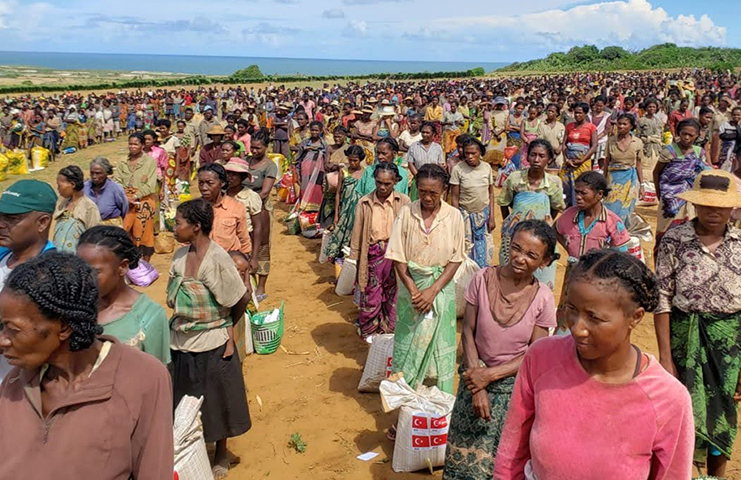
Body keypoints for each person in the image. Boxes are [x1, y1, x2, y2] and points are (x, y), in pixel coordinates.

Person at [493, 250, 694, 479]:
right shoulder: (542, 358)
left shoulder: (668, 399)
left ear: (635, 317)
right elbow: (511, 455)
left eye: (594, 317)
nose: (577, 328)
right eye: (572, 309)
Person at [0, 252, 174, 479]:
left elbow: (154, 470)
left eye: (12, 329)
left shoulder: (143, 378)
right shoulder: (14, 383)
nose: (2, 339)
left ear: (62, 327)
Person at [443, 220, 558, 480]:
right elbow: (469, 333)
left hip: (512, 390)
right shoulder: (482, 279)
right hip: (473, 379)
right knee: (461, 456)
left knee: (501, 463)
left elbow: (534, 353)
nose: (519, 258)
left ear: (545, 262)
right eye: (516, 249)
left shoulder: (543, 298)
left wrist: (491, 376)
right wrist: (478, 382)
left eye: (531, 255)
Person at [654, 169, 741, 478]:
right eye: (705, 204)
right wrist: (665, 357)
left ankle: (716, 475)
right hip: (683, 339)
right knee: (682, 410)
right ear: (694, 205)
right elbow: (661, 298)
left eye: (720, 206)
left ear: (733, 207)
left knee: (722, 410)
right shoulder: (675, 240)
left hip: (729, 345)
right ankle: (685, 472)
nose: (712, 212)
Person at [169, 199, 251, 479]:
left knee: (217, 401)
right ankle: (191, 449)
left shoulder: (217, 259)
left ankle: (221, 453)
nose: (174, 227)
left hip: (211, 342)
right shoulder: (179, 256)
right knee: (183, 400)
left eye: (178, 223)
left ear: (195, 227)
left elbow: (240, 298)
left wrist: (225, 328)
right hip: (181, 340)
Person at [386, 163, 466, 398]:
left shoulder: (453, 216)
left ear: (443, 190)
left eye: (433, 192)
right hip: (411, 288)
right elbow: (398, 257)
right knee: (409, 345)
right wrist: (413, 290)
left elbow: (456, 258)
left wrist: (432, 290)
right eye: (422, 191)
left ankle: (437, 406)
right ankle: (405, 404)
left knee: (438, 350)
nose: (427, 197)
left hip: (440, 289)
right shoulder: (406, 214)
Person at [77, 226, 170, 365]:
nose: (84, 278)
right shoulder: (74, 308)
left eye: (94, 272)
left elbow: (158, 377)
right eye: (79, 270)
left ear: (123, 267)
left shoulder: (149, 317)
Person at [0, 179, 58, 381]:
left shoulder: (52, 275)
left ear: (42, 222)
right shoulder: (2, 256)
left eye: (12, 218)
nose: (1, 224)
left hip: (21, 386)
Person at [349, 162, 410, 340]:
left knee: (394, 293)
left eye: (387, 184)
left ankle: (388, 329)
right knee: (372, 294)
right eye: (379, 183)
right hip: (372, 255)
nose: (382, 187)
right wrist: (355, 255)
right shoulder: (365, 202)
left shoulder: (404, 202)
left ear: (396, 182)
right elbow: (358, 230)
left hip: (396, 255)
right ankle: (369, 330)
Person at [499, 139, 565, 290]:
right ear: (527, 157)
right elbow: (504, 203)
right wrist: (511, 224)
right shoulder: (515, 179)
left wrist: (544, 225)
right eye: (533, 155)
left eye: (541, 156)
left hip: (541, 236)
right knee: (512, 271)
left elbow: (556, 207)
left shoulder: (554, 183)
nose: (536, 159)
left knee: (539, 275)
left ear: (549, 159)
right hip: (516, 234)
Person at [653, 118, 710, 252]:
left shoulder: (698, 152)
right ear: (679, 133)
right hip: (669, 198)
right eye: (684, 133)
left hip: (690, 198)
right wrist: (659, 194)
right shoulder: (669, 151)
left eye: (691, 135)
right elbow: (657, 173)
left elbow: (702, 174)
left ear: (697, 135)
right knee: (665, 231)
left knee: (689, 229)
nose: (686, 137)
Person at [450, 137, 496, 268]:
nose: (470, 157)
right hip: (465, 215)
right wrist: (457, 217)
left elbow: (491, 192)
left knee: (484, 246)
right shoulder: (458, 169)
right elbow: (454, 196)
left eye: (473, 153)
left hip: (483, 214)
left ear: (480, 153)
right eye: (467, 153)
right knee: (466, 248)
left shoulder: (486, 168)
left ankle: (482, 273)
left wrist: (492, 216)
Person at [245, 128, 278, 300]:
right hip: (241, 210)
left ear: (266, 147)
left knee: (262, 247)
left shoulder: (270, 166)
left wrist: (245, 200)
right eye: (253, 147)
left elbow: (264, 192)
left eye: (258, 148)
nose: (254, 151)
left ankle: (261, 288)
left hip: (260, 209)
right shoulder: (245, 162)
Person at [115, 133, 158, 262]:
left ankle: (144, 265)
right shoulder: (122, 162)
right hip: (125, 201)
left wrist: (135, 196)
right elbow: (117, 181)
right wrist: (125, 196)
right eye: (130, 144)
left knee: (144, 234)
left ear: (142, 145)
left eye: (136, 144)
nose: (132, 147)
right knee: (125, 232)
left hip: (144, 200)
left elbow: (150, 185)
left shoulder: (150, 162)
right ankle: (130, 264)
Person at [197, 163, 251, 257]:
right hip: (203, 261)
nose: (204, 188)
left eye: (210, 183)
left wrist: (245, 258)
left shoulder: (236, 206)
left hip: (229, 261)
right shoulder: (194, 208)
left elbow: (243, 238)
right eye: (200, 183)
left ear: (222, 183)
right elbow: (186, 240)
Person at [601, 113, 645, 226]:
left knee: (626, 208)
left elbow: (639, 164)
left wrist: (642, 186)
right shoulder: (611, 141)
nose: (621, 126)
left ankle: (622, 232)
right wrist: (603, 181)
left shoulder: (637, 142)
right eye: (619, 124)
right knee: (610, 206)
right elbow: (606, 162)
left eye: (624, 124)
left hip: (629, 180)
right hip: (613, 179)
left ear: (631, 126)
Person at [325, 145, 365, 262]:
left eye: (355, 160)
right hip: (345, 209)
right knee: (340, 232)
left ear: (360, 159)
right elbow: (338, 193)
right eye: (350, 160)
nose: (352, 163)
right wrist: (336, 214)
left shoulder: (365, 173)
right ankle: (338, 257)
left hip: (358, 211)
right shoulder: (344, 171)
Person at [53, 165, 101, 253]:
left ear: (72, 184)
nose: (58, 188)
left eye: (60, 185)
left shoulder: (89, 207)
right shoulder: (62, 203)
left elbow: (94, 239)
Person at [560, 102, 597, 208]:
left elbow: (594, 146)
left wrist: (582, 160)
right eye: (575, 113)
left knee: (582, 186)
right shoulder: (569, 126)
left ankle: (580, 208)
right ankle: (568, 208)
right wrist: (566, 159)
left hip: (583, 163)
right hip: (569, 162)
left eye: (580, 113)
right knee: (566, 186)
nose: (577, 115)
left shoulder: (591, 127)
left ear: (585, 113)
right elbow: (564, 145)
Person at [84, 156, 129, 225]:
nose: (94, 176)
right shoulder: (84, 188)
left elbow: (124, 209)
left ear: (106, 173)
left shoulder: (115, 189)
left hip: (111, 228)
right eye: (92, 173)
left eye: (98, 173)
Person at [294, 120, 327, 212]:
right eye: (312, 130)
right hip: (305, 171)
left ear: (321, 131)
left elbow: (326, 160)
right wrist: (297, 173)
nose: (314, 132)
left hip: (319, 172)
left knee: (317, 191)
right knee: (304, 189)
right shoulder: (304, 143)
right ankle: (304, 213)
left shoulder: (324, 145)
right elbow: (298, 159)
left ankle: (315, 214)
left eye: (317, 130)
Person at [636, 98, 663, 196]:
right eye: (649, 107)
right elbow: (638, 136)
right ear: (646, 108)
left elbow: (661, 135)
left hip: (656, 148)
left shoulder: (659, 121)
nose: (652, 109)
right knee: (645, 167)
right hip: (645, 147)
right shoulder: (641, 121)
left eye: (654, 107)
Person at [536, 103, 565, 172]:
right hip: (545, 153)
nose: (550, 113)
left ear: (557, 113)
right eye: (548, 111)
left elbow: (562, 141)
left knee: (559, 172)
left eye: (552, 111)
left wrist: (558, 150)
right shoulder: (542, 125)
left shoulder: (561, 126)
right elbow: (540, 140)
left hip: (558, 155)